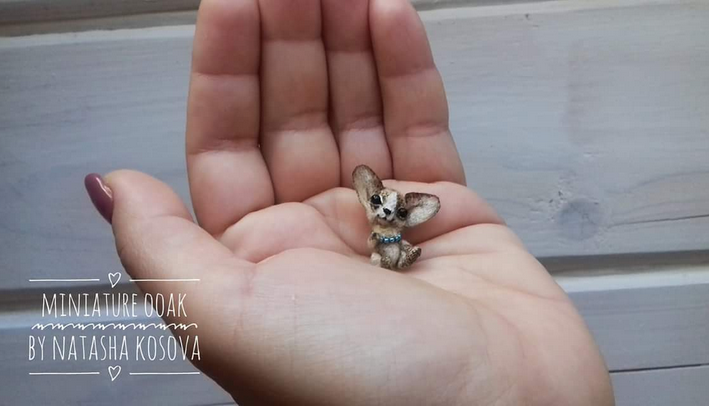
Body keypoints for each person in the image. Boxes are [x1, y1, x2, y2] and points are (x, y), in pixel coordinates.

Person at [84, 0, 614, 404]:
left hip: (395, 252)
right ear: (371, 198)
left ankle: (400, 256)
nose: (382, 210)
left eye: (390, 209)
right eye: (379, 204)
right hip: (384, 251)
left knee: (392, 251)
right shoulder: (373, 208)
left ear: (404, 212)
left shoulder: (404, 218)